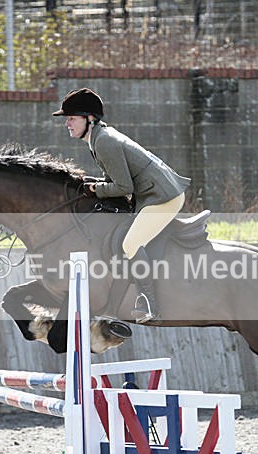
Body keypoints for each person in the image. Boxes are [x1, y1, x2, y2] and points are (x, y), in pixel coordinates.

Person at [53, 87, 191, 323]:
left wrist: (96, 189)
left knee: (130, 243)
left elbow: (123, 187)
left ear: (90, 119)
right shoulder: (99, 137)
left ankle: (150, 304)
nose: (67, 123)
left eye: (72, 118)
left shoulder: (104, 141)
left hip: (163, 197)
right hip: (151, 194)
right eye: (67, 119)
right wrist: (94, 184)